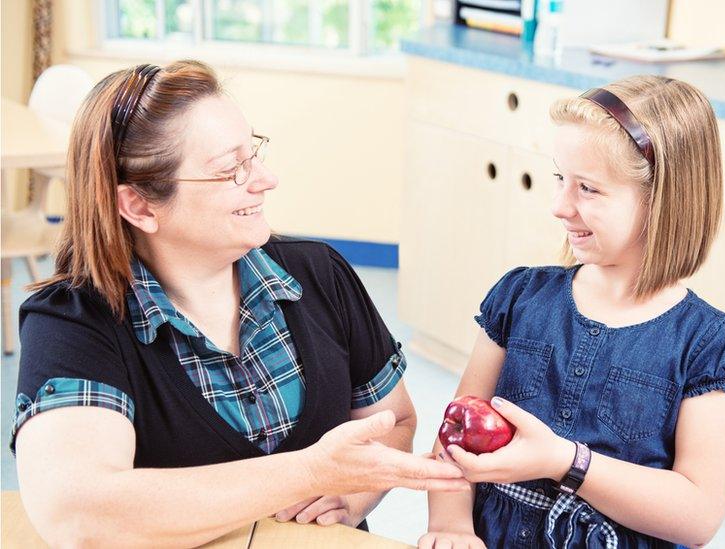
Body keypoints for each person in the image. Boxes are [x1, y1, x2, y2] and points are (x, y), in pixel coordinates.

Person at [11, 60, 466, 547]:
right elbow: (80, 516)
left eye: (254, 154)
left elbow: (394, 419)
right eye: (232, 170)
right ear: (140, 206)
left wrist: (350, 498)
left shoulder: (319, 272)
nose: (266, 179)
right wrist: (308, 471)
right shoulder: (74, 322)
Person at [421, 76, 725, 548]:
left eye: (589, 189)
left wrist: (565, 460)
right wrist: (451, 525)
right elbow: (454, 433)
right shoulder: (521, 298)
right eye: (560, 178)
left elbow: (697, 516)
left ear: (664, 202)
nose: (559, 206)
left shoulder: (711, 344)